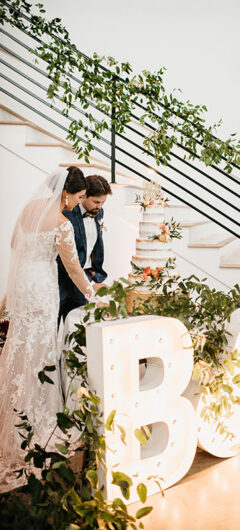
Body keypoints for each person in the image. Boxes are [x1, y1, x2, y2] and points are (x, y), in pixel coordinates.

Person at [0, 167, 101, 493]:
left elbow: (15, 243)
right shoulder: (61, 223)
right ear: (68, 193)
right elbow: (72, 268)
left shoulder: (30, 209)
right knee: (40, 349)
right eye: (80, 197)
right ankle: (34, 419)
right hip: (42, 289)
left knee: (18, 345)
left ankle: (10, 408)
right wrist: (92, 295)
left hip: (22, 286)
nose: (78, 204)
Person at [58, 174, 112, 323]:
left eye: (103, 202)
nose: (99, 206)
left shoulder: (99, 212)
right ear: (84, 196)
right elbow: (62, 256)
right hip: (60, 281)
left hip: (83, 284)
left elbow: (94, 248)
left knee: (79, 329)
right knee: (51, 329)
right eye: (96, 202)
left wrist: (93, 279)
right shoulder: (65, 213)